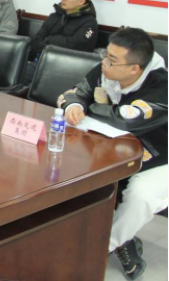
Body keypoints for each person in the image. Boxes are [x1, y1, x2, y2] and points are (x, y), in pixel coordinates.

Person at [59, 28, 167, 280]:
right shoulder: (106, 70)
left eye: (112, 60)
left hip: (160, 157)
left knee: (141, 195)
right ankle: (115, 238)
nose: (104, 63)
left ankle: (102, 247)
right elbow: (74, 93)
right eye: (105, 55)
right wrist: (75, 104)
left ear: (134, 69)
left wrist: (89, 106)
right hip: (117, 150)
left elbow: (125, 119)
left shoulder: (162, 86)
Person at [31, 0, 99, 60]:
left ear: (81, 1)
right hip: (45, 60)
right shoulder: (55, 16)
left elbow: (75, 45)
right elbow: (37, 40)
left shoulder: (90, 23)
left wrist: (50, 40)